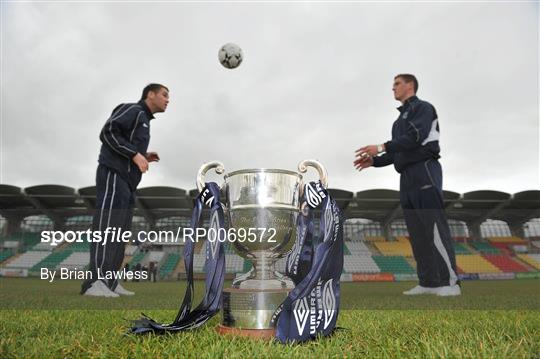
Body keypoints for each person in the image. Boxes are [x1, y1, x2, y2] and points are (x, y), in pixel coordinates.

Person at [354, 74, 460, 297]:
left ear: (409, 85)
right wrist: (374, 160)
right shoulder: (397, 122)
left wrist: (381, 146)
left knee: (433, 228)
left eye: (397, 84)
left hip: (425, 171)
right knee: (418, 233)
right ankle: (429, 282)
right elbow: (396, 152)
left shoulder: (423, 108)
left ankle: (450, 283)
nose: (393, 88)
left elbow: (416, 137)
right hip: (407, 178)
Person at [81, 83, 169, 297]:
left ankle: (110, 281)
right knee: (108, 227)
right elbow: (108, 131)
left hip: (128, 182)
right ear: (151, 94)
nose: (168, 100)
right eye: (164, 95)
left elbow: (125, 143)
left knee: (120, 232)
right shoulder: (134, 110)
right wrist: (134, 154)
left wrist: (143, 155)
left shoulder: (145, 121)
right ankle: (95, 283)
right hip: (113, 173)